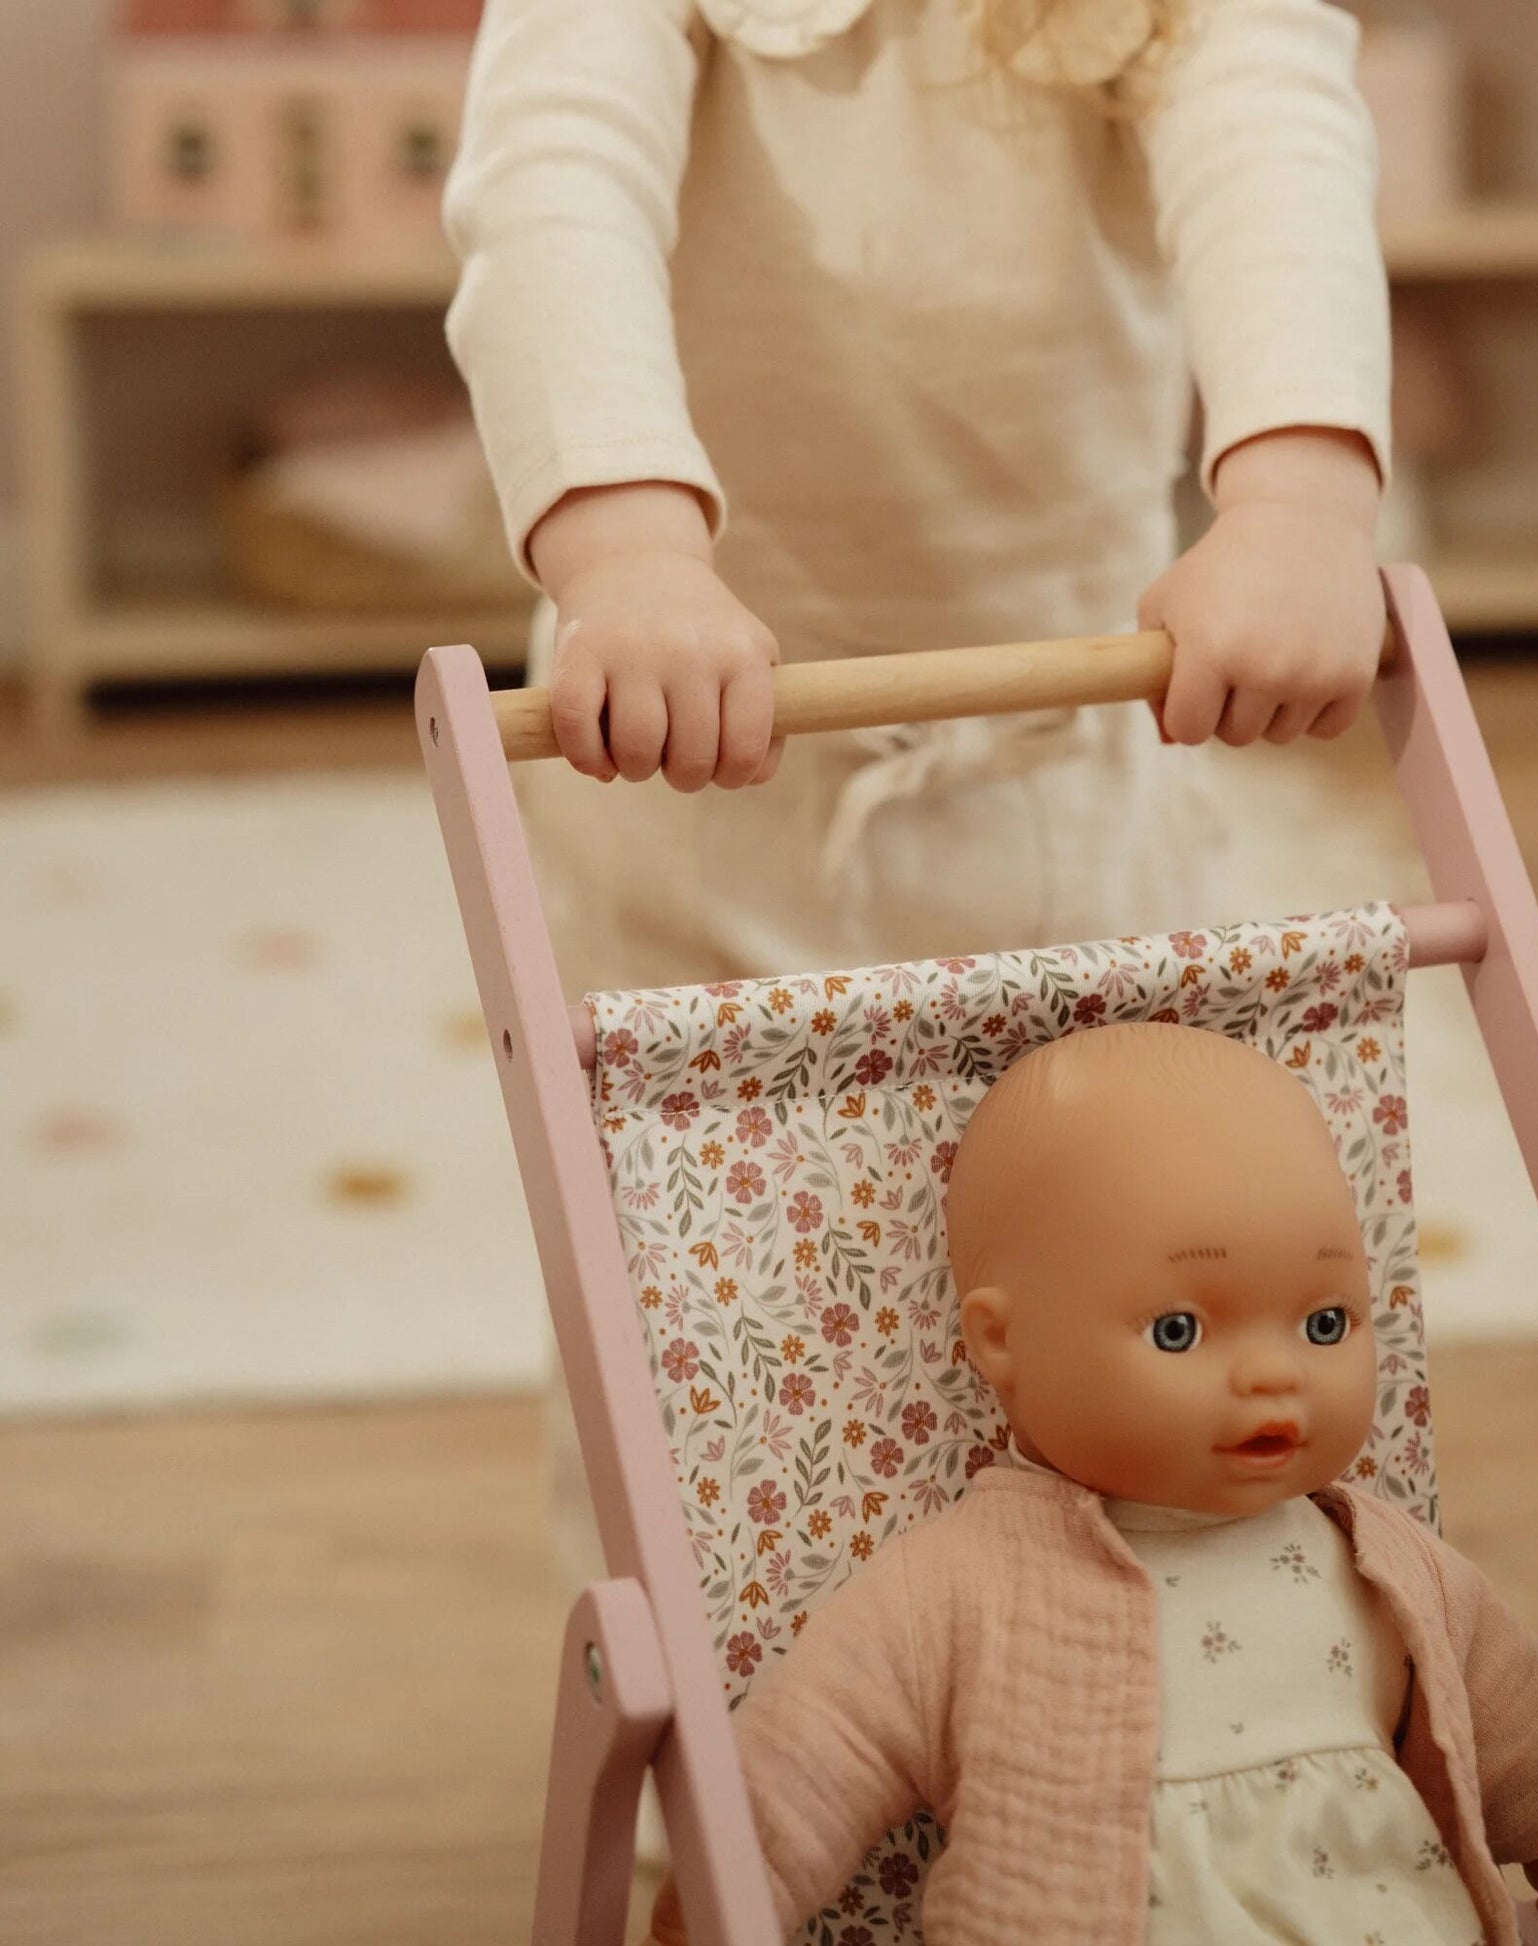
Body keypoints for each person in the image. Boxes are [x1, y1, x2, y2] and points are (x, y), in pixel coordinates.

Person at [441, 0, 1394, 1859]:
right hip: (694, 753)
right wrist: (628, 548)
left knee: (1120, 1314)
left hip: (1074, 735)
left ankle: (1117, 1764)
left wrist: (1294, 498)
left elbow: (1276, 129)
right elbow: (553, 182)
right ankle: (705, 1814)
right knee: (699, 1337)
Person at [651, 1024, 1538, 1945]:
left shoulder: (1379, 1556)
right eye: (1179, 1329)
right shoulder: (961, 1585)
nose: (1272, 1374)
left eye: (1323, 1322)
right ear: (1001, 1338)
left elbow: (1508, 1712)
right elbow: (816, 1749)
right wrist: (717, 1893)